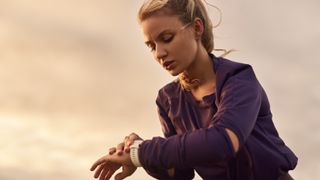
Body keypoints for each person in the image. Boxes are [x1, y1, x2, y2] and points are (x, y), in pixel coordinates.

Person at [90, 0, 298, 179]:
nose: (159, 53)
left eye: (167, 38)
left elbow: (222, 142)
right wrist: (136, 154)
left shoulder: (239, 79)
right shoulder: (167, 99)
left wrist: (141, 151)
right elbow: (179, 173)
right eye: (151, 46)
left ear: (197, 28)